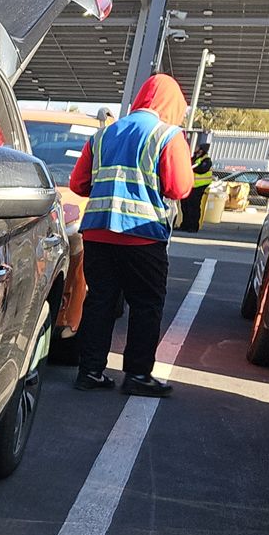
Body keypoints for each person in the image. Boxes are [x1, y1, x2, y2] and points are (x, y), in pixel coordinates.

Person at [67, 73, 193, 397]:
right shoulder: (167, 134)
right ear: (172, 104)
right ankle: (137, 375)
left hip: (97, 233)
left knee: (100, 302)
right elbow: (180, 187)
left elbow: (78, 185)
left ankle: (90, 372)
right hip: (142, 237)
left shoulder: (103, 134)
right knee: (146, 305)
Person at [180, 131, 214, 233]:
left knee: (194, 207)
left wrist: (190, 168)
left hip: (199, 187)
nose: (196, 149)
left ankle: (193, 226)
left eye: (198, 147)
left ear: (202, 150)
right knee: (185, 205)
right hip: (190, 185)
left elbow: (201, 169)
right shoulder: (194, 158)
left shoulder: (206, 160)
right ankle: (185, 225)